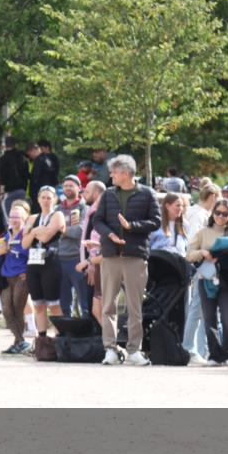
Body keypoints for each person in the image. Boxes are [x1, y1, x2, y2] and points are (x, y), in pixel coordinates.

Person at [92, 154, 160, 366]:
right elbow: (97, 220)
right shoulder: (108, 194)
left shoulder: (147, 193)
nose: (110, 175)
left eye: (114, 171)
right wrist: (109, 235)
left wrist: (132, 227)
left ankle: (134, 350)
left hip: (135, 256)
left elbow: (156, 221)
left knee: (134, 307)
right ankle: (110, 349)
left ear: (126, 173)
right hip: (111, 255)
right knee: (108, 305)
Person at [187, 199, 228, 366]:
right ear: (213, 213)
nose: (221, 216)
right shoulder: (202, 232)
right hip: (206, 280)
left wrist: (226, 256)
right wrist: (203, 252)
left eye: (225, 213)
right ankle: (214, 355)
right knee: (209, 318)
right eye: (218, 213)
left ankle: (227, 354)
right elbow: (189, 254)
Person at [181, 184, 221, 362]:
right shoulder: (199, 215)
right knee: (197, 307)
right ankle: (190, 348)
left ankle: (199, 349)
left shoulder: (196, 213)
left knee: (201, 308)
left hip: (200, 264)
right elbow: (194, 241)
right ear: (212, 196)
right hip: (201, 264)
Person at [23, 186, 66, 340]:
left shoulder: (58, 215)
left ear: (55, 199)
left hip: (51, 262)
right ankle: (42, 340)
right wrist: (35, 231)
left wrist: (34, 233)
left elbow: (46, 237)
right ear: (38, 199)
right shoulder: (32, 218)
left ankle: (61, 339)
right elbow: (24, 243)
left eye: (49, 197)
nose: (46, 200)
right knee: (38, 305)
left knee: (53, 304)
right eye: (43, 197)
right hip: (33, 264)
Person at [0, 201, 32, 354]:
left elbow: (31, 254)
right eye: (12, 216)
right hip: (6, 276)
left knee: (17, 307)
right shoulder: (6, 235)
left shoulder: (27, 234)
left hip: (21, 277)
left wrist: (29, 271)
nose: (14, 219)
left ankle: (20, 341)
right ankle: (19, 341)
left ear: (24, 218)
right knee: (6, 309)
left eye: (17, 216)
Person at [76, 181, 107, 327]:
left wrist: (90, 263)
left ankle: (109, 343)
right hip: (93, 261)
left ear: (96, 193)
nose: (83, 195)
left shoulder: (99, 211)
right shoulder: (93, 209)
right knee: (95, 310)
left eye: (87, 192)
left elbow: (95, 238)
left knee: (98, 309)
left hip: (96, 264)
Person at [57, 175, 89, 317]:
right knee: (64, 302)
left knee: (84, 300)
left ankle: (88, 333)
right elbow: (49, 231)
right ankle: (67, 334)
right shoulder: (57, 208)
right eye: (65, 185)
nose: (68, 188)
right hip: (59, 258)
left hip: (77, 259)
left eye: (71, 185)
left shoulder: (85, 208)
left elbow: (79, 232)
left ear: (79, 188)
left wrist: (61, 229)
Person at [0, 136, 29, 217]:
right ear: (15, 145)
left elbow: (3, 177)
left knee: (9, 217)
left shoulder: (3, 159)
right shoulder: (23, 158)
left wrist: (1, 192)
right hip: (22, 190)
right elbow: (26, 175)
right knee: (22, 215)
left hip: (10, 192)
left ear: (4, 146)